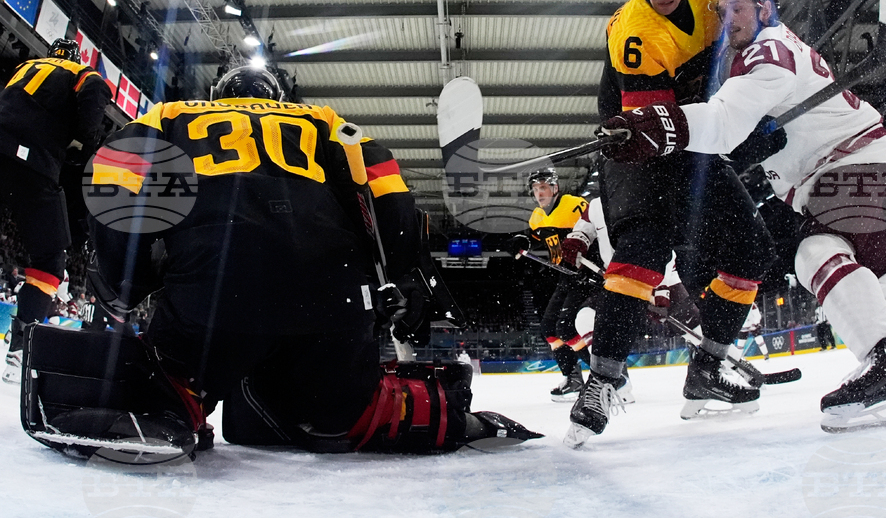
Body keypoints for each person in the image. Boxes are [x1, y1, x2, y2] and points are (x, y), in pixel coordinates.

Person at [21, 66, 539, 459]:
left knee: (170, 385)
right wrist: (403, 283)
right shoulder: (327, 122)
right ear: (277, 98)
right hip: (330, 299)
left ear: (220, 96)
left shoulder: (168, 115)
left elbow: (116, 186)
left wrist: (121, 284)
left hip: (212, 292)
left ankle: (173, 402)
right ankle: (435, 410)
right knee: (346, 412)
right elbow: (391, 197)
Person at [599, 0, 886, 432]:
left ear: (765, 8)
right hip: (833, 168)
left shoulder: (769, 54)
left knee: (816, 254)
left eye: (739, 9)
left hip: (849, 161)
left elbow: (722, 125)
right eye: (722, 11)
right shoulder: (757, 50)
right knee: (869, 279)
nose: (729, 20)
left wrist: (663, 126)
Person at [565, 0, 776, 448]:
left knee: (752, 250)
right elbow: (656, 129)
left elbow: (753, 41)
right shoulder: (632, 29)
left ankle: (707, 371)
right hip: (638, 144)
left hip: (691, 136)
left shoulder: (712, 2)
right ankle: (603, 380)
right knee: (642, 251)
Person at [0, 38, 111, 383]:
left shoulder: (24, 67)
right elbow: (95, 98)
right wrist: (85, 143)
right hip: (32, 161)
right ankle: (20, 350)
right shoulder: (83, 72)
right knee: (50, 262)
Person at [516, 167, 596, 401]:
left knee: (566, 328)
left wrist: (594, 263)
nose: (539, 193)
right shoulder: (537, 217)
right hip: (564, 276)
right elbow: (535, 237)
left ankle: (606, 375)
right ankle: (573, 378)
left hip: (584, 274)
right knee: (549, 329)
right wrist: (523, 240)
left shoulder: (574, 204)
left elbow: (596, 231)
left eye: (543, 187)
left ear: (555, 188)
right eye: (535, 189)